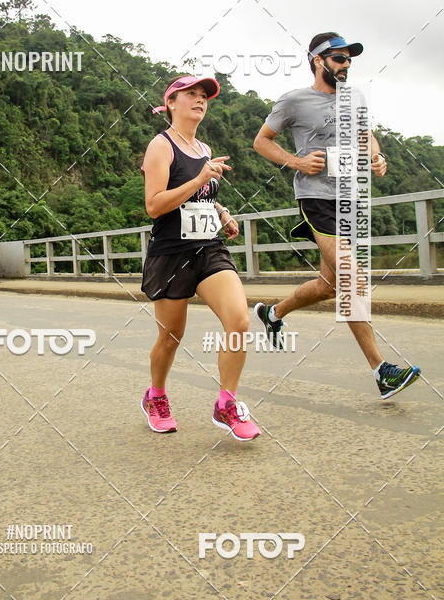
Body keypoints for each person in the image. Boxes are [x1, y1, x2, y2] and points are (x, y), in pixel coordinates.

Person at [252, 31, 421, 400]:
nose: (346, 66)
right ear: (318, 61)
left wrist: (376, 156)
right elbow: (261, 141)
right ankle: (382, 371)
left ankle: (272, 313)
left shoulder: (355, 99)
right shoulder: (294, 101)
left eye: (349, 60)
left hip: (349, 199)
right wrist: (295, 161)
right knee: (352, 277)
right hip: (315, 198)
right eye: (339, 59)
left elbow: (366, 135)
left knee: (330, 284)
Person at [140, 75, 260, 440]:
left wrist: (221, 211)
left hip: (209, 247)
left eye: (204, 95)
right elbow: (154, 205)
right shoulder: (160, 146)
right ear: (171, 103)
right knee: (171, 336)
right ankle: (156, 396)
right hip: (172, 251)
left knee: (238, 320)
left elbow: (202, 197)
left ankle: (227, 404)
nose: (199, 99)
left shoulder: (204, 148)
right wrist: (198, 179)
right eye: (190, 94)